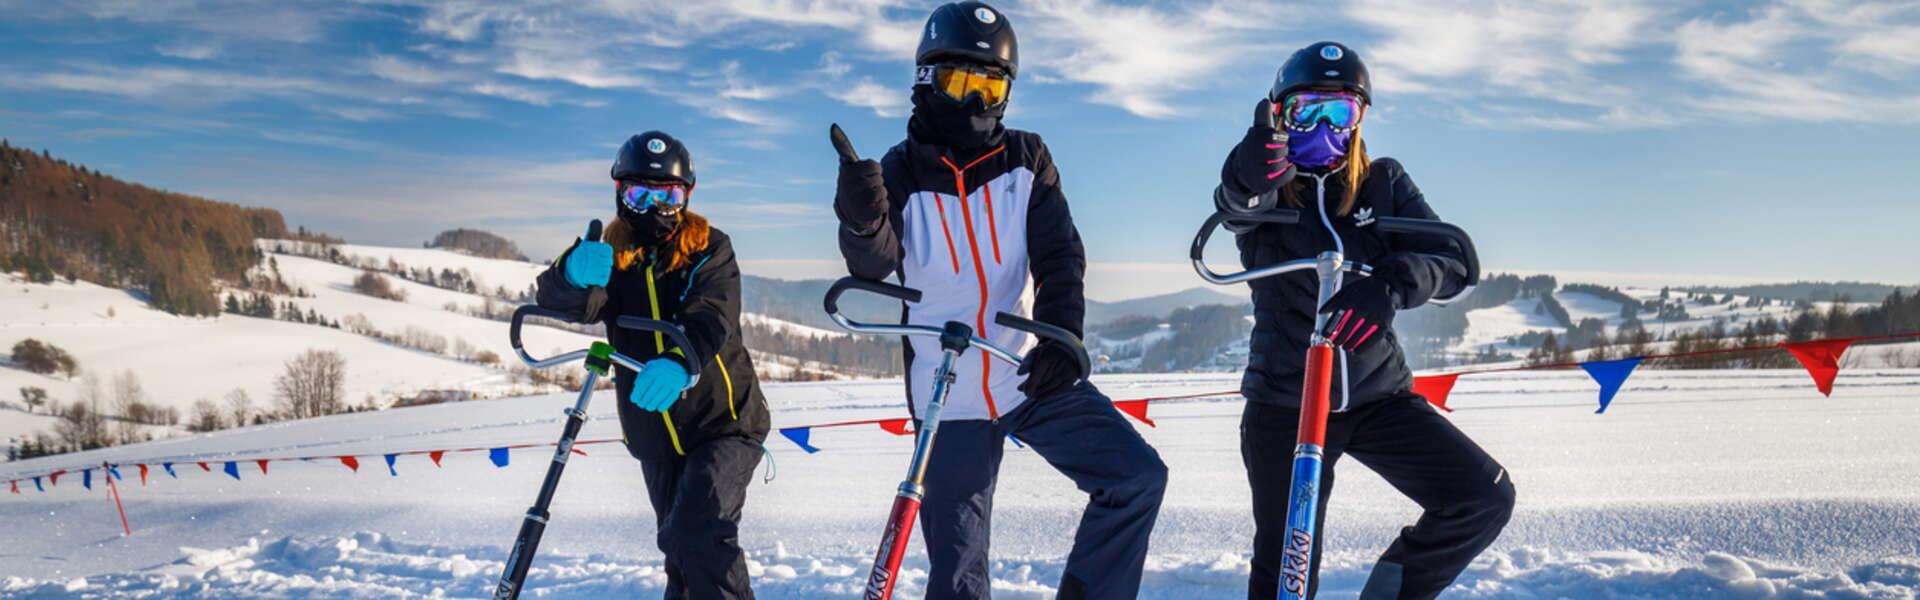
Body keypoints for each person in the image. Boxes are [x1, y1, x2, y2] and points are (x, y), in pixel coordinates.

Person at [827, 2, 1168, 598]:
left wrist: (1062, 339)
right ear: (927, 82)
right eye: (962, 83)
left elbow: (1060, 257)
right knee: (957, 572)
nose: (977, 103)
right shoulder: (899, 172)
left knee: (1136, 478)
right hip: (947, 388)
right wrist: (861, 219)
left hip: (1024, 370)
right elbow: (876, 263)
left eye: (992, 86)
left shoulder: (1025, 159)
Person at [1213, 42, 1517, 600]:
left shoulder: (1384, 182)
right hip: (1286, 402)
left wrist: (1391, 285)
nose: (1326, 127)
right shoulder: (1268, 188)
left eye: (1342, 112)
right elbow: (1236, 205)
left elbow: (1451, 263)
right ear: (1280, 113)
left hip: (1379, 397)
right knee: (1288, 562)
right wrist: (1247, 170)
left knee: (1482, 496)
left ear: (1361, 119)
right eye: (1310, 110)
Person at [537, 131, 769, 599]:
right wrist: (569, 275)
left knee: (700, 532)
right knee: (680, 552)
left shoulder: (711, 247)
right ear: (620, 194)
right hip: (655, 434)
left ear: (686, 196)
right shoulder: (611, 254)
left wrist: (680, 361)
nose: (654, 206)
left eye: (667, 194)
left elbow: (712, 314)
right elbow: (577, 305)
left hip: (723, 422)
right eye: (639, 193)